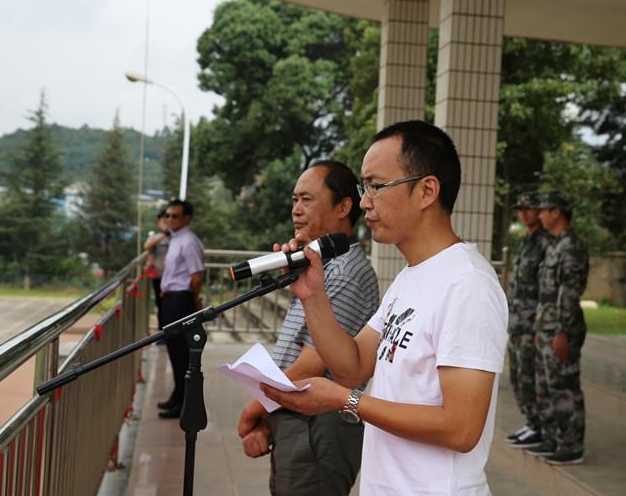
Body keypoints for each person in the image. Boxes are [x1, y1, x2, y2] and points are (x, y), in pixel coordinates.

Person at [261, 121, 508, 495]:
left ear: (426, 190)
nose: (364, 202)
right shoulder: (410, 277)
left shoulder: (467, 284)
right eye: (365, 188)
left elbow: (461, 428)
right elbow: (352, 366)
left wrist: (346, 401)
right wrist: (313, 294)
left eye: (376, 186)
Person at [238, 160, 379, 496]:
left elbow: (313, 363)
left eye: (307, 199)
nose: (296, 209)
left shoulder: (344, 272)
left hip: (317, 424)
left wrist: (254, 408)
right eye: (294, 200)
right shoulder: (319, 264)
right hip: (295, 414)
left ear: (343, 207)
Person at [525, 191, 589, 465]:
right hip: (547, 327)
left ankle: (571, 445)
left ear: (557, 212)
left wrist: (562, 331)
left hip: (562, 329)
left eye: (544, 210)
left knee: (564, 386)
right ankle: (553, 437)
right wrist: (540, 328)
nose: (539, 215)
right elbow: (547, 293)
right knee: (546, 386)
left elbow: (569, 292)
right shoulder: (555, 245)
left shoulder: (571, 246)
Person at [505, 191, 552, 449]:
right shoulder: (525, 241)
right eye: (520, 209)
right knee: (518, 375)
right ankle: (531, 422)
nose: (523, 213)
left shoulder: (546, 243)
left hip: (533, 321)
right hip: (518, 321)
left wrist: (540, 325)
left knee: (531, 376)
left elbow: (546, 288)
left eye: (529, 209)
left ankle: (541, 426)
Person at [157, 198, 205, 419]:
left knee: (181, 354)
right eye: (167, 215)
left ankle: (184, 403)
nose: (170, 219)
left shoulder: (188, 241)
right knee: (174, 351)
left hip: (180, 301)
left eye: (175, 216)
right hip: (171, 300)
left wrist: (192, 300)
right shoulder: (175, 239)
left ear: (186, 218)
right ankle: (177, 396)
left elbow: (196, 276)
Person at [144, 208, 171, 323]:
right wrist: (164, 234)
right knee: (160, 303)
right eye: (162, 220)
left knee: (171, 303)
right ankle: (162, 328)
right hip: (159, 276)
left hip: (173, 277)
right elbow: (147, 246)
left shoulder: (176, 236)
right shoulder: (156, 236)